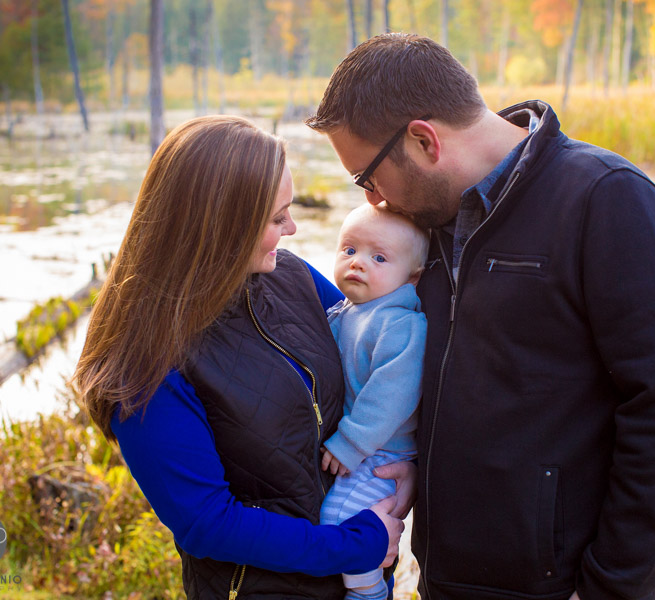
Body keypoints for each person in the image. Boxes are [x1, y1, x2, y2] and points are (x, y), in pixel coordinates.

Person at [306, 34, 655, 600]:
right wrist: (418, 472)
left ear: (424, 141)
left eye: (368, 179)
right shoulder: (431, 225)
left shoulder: (608, 199)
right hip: (449, 581)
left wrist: (612, 588)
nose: (374, 202)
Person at [73, 115, 414, 600]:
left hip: (355, 578)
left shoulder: (290, 277)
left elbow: (377, 352)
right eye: (277, 219)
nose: (293, 229)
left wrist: (403, 463)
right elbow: (208, 523)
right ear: (222, 225)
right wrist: (352, 544)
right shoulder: (144, 367)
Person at [318, 204, 428, 600]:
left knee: (339, 521)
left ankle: (368, 594)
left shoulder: (399, 323)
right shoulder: (348, 311)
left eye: (378, 258)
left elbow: (392, 393)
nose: (358, 263)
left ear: (412, 277)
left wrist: (350, 442)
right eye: (348, 250)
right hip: (363, 448)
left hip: (381, 451)